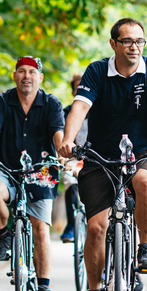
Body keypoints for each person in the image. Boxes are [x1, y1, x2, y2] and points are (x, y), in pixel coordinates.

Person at [58, 18, 147, 291]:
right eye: (127, 41)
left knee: (144, 182)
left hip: (143, 152)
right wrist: (68, 139)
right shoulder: (98, 71)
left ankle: (146, 248)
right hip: (101, 156)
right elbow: (80, 107)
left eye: (139, 41)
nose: (134, 47)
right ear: (114, 44)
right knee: (96, 228)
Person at [0, 56, 64, 291]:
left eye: (32, 72)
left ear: (40, 78)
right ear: (14, 76)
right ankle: (4, 238)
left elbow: (58, 134)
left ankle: (44, 287)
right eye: (22, 71)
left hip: (41, 171)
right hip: (6, 168)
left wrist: (64, 156)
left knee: (40, 230)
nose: (27, 76)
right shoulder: (1, 102)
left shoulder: (52, 103)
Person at [60, 74, 88, 244]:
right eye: (77, 88)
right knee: (69, 181)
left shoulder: (98, 110)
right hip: (73, 157)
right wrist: (61, 158)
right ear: (73, 92)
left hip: (95, 157)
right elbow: (59, 137)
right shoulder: (65, 113)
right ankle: (71, 225)